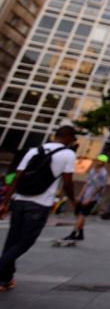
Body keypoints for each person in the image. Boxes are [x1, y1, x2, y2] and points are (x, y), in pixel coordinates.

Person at [0, 125, 78, 292]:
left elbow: (16, 178)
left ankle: (6, 279)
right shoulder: (68, 154)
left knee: (12, 240)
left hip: (19, 201)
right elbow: (68, 182)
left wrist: (5, 203)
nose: (73, 142)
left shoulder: (34, 150)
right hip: (40, 204)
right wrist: (74, 200)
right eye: (73, 138)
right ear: (68, 137)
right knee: (25, 242)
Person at [62, 153, 109, 243]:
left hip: (93, 197)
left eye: (101, 161)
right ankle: (80, 234)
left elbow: (100, 187)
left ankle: (73, 233)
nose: (99, 162)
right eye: (98, 160)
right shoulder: (92, 170)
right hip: (85, 195)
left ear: (104, 163)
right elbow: (87, 183)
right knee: (79, 215)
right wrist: (80, 195)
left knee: (82, 215)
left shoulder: (103, 173)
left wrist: (90, 198)